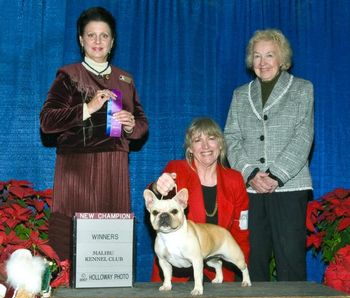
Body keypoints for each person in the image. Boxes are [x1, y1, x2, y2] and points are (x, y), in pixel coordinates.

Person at [40, 7, 148, 261]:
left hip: (114, 168)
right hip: (77, 167)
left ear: (112, 41)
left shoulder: (125, 80)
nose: (97, 41)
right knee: (74, 241)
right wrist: (87, 108)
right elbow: (46, 121)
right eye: (91, 35)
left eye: (104, 36)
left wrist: (132, 125)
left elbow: (143, 123)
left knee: (111, 242)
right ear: (81, 40)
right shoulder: (69, 75)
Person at [224, 29, 314, 282]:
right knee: (252, 260)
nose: (263, 62)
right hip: (250, 190)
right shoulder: (240, 94)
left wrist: (276, 175)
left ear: (282, 59)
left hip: (289, 188)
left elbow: (304, 136)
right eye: (257, 56)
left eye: (269, 55)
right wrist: (250, 174)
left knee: (291, 259)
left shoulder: (302, 89)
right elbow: (230, 137)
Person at [150, 117, 249, 282]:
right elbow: (156, 196)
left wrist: (241, 264)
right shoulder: (176, 169)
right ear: (190, 149)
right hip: (177, 275)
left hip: (218, 272)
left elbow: (241, 229)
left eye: (211, 138)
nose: (205, 146)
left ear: (221, 144)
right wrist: (157, 186)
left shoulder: (235, 179)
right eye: (197, 140)